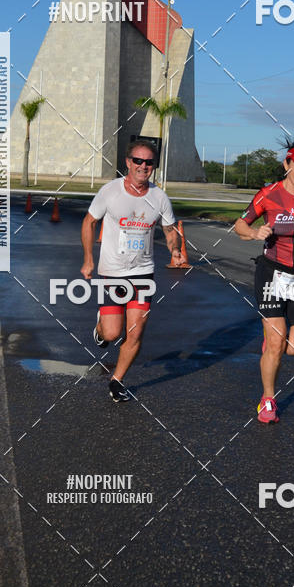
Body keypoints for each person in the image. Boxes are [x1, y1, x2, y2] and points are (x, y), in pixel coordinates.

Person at [234, 142, 294, 424]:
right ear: (287, 165)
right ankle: (267, 400)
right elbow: (240, 224)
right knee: (277, 343)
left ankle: (271, 345)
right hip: (271, 272)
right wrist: (254, 232)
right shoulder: (269, 194)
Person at [81, 140, 183, 402]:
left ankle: (117, 380)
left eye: (149, 162)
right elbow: (89, 221)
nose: (143, 166)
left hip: (143, 272)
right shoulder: (110, 192)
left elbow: (170, 229)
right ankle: (100, 329)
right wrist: (88, 259)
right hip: (112, 271)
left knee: (135, 332)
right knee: (113, 333)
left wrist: (174, 249)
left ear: (153, 166)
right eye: (138, 161)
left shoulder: (159, 197)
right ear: (128, 162)